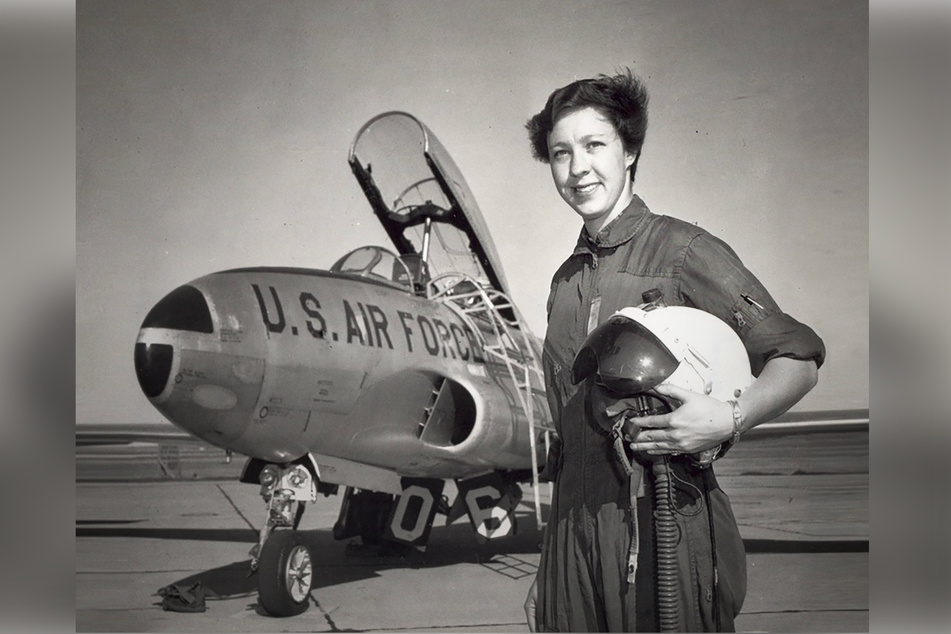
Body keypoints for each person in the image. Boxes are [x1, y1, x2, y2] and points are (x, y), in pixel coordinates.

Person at [522, 69, 826, 632]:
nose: (577, 168)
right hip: (572, 539)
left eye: (594, 145)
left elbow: (798, 360)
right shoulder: (564, 282)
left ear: (630, 149)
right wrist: (552, 568)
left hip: (664, 524)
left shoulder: (686, 250)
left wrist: (730, 418)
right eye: (560, 153)